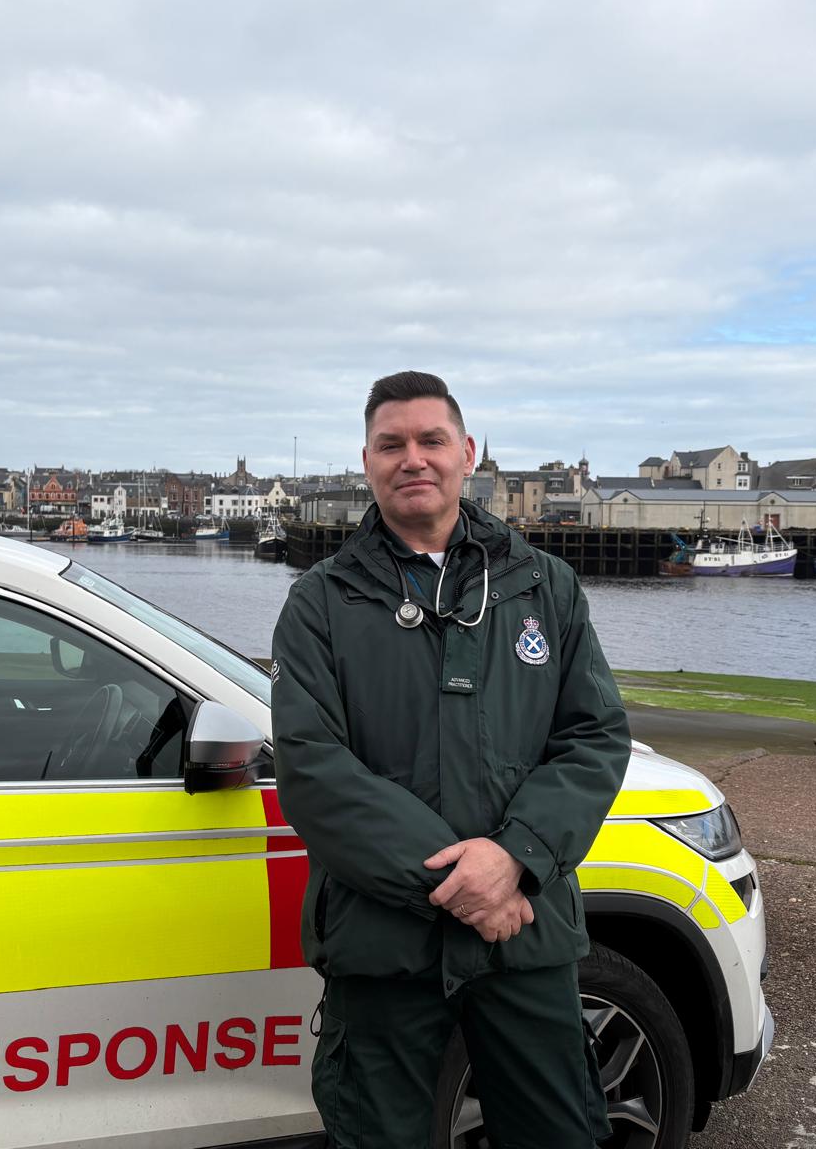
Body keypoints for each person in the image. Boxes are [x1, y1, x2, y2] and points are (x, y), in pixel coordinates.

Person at [271, 370, 633, 1147]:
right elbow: (313, 768)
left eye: (432, 440)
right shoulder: (322, 603)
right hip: (383, 947)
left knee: (559, 1133)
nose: (414, 459)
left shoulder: (546, 588)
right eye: (391, 444)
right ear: (365, 461)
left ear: (467, 453)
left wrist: (516, 859)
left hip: (523, 936)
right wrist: (467, 887)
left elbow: (594, 736)